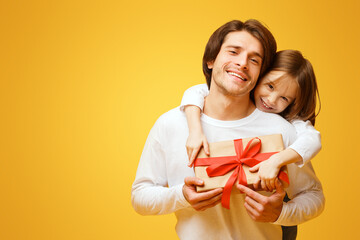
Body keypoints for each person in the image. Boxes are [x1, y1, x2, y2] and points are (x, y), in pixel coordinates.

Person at [131, 20, 324, 240]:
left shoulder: (282, 130)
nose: (242, 63)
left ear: (260, 73)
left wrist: (281, 213)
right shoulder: (171, 124)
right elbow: (140, 197)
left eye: (254, 60)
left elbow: (314, 196)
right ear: (211, 59)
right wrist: (181, 196)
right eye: (233, 51)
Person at [181, 49, 321, 192]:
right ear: (259, 75)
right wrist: (195, 131)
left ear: (293, 103)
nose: (271, 100)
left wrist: (275, 161)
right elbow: (196, 91)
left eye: (284, 98)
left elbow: (313, 140)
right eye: (270, 86)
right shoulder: (232, 92)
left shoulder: (290, 122)